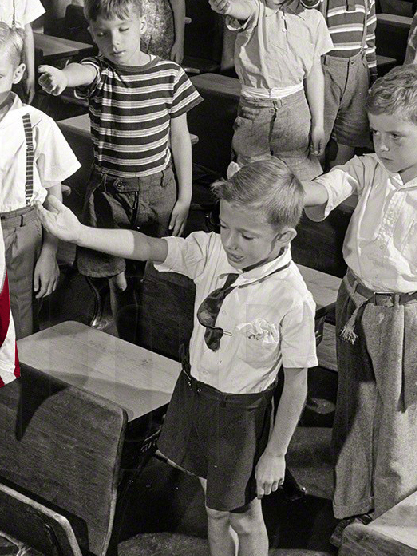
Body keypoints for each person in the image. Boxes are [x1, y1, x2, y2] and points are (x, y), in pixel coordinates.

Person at [38, 159, 316, 556]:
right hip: (196, 395)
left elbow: (297, 384)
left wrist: (276, 452)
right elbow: (146, 245)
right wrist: (80, 233)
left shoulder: (292, 297)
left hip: (241, 416)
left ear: (284, 236)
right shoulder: (212, 252)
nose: (231, 243)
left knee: (244, 518)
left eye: (246, 236)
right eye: (224, 226)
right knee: (214, 511)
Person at [300, 65, 417, 538]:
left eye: (395, 136)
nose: (382, 146)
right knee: (355, 409)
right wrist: (288, 193)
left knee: (400, 424)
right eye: (376, 134)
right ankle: (351, 506)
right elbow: (329, 187)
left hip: (408, 316)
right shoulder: (372, 168)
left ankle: (392, 522)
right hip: (356, 302)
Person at [38, 0, 200, 338]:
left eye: (124, 29)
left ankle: (140, 314)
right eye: (103, 34)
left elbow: (180, 139)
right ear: (92, 35)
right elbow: (82, 72)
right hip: (110, 190)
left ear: (142, 23)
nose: (115, 42)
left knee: (152, 261)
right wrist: (62, 76)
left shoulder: (170, 75)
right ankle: (107, 303)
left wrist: (185, 196)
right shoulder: (102, 72)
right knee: (102, 259)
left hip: (158, 188)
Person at [0, 22, 78, 336]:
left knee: (20, 311)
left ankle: (19, 365)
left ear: (17, 74)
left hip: (22, 230)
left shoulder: (36, 123)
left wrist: (49, 253)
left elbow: (54, 197)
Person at [209, 0, 330, 180]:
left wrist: (318, 124)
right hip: (255, 111)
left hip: (295, 110)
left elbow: (315, 74)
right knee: (251, 181)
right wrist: (227, 6)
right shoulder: (255, 5)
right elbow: (241, 8)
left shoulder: (312, 17)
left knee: (301, 180)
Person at [297, 0, 378, 165]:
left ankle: (337, 183)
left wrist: (373, 80)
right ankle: (314, 182)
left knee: (348, 141)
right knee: (316, 141)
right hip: (323, 74)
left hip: (358, 77)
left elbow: (369, 42)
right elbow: (308, 1)